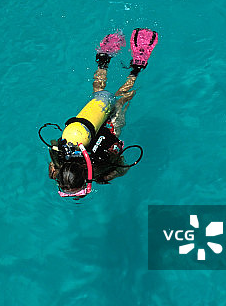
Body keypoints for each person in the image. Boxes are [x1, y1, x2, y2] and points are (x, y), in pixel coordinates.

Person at [45, 29, 158, 199]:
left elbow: (122, 168)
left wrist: (107, 177)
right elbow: (54, 142)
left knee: (121, 100)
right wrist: (54, 167)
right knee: (99, 96)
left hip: (110, 127)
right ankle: (103, 62)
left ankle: (136, 69)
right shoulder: (60, 155)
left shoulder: (99, 170)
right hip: (87, 125)